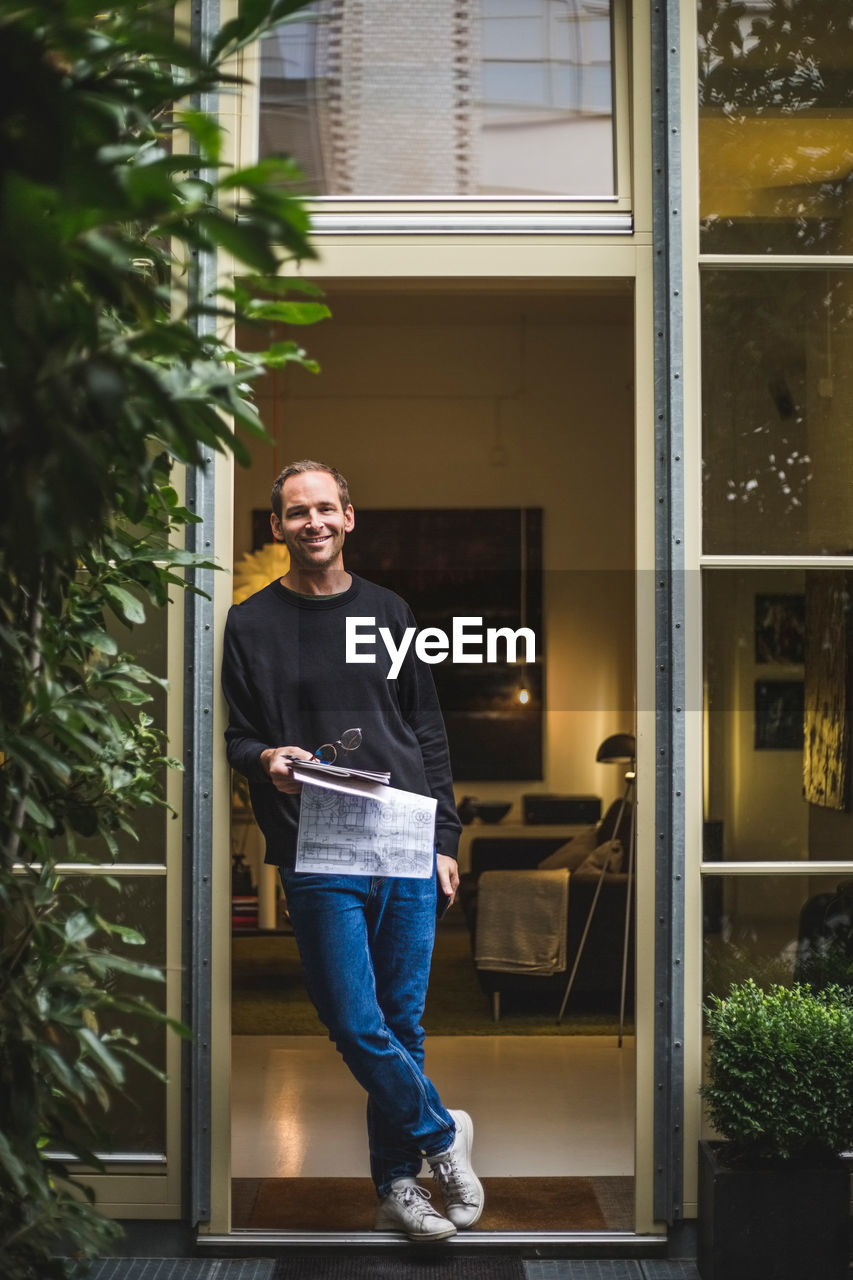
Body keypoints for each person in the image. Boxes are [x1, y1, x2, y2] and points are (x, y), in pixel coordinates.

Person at [221, 459, 484, 1241]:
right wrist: (263, 760)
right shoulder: (250, 624)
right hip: (315, 846)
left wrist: (444, 837)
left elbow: (427, 732)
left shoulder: (391, 611)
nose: (312, 523)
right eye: (296, 513)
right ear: (277, 527)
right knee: (351, 1018)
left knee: (401, 1023)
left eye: (324, 509)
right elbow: (237, 734)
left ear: (349, 516)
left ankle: (397, 1186)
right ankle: (442, 1135)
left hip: (403, 839)